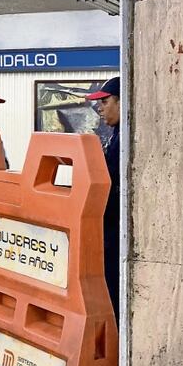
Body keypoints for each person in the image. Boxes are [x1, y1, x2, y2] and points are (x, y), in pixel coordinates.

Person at [86, 76, 121, 321]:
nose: (100, 108)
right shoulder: (117, 135)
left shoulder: (126, 140)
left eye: (105, 101)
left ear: (121, 102)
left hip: (116, 231)